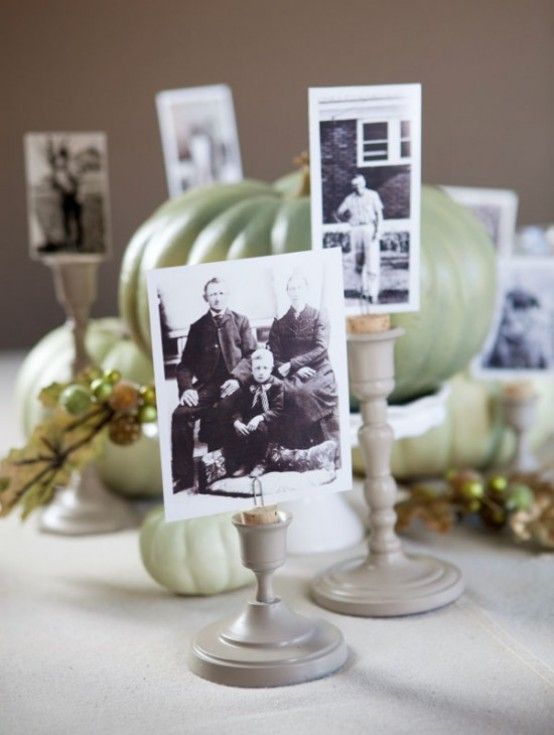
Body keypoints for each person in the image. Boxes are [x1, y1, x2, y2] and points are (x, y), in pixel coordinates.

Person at [171, 277, 256, 492]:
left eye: (220, 293)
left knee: (225, 410)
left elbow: (251, 355)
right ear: (205, 298)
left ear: (227, 295)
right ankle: (184, 475)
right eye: (213, 294)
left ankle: (228, 464)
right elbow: (185, 365)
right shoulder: (198, 327)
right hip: (208, 386)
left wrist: (237, 378)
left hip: (235, 384)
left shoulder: (241, 321)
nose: (217, 298)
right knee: (180, 415)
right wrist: (187, 388)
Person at [267, 273, 339, 454]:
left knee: (305, 392)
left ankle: (319, 444)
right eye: (292, 288)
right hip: (290, 372)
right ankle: (297, 447)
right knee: (286, 393)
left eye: (300, 287)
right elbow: (274, 356)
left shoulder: (318, 316)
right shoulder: (280, 323)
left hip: (319, 370)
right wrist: (293, 369)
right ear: (287, 292)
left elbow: (321, 348)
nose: (296, 292)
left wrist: (293, 364)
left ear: (306, 290)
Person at [224, 348, 284, 478]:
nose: (261, 372)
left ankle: (261, 462)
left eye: (265, 368)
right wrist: (237, 422)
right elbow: (238, 407)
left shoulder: (277, 385)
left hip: (270, 422)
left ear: (271, 368)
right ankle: (245, 463)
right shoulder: (247, 383)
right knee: (237, 430)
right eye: (257, 368)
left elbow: (278, 410)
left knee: (260, 429)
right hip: (250, 420)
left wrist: (260, 418)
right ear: (252, 368)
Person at [336, 174, 383, 302]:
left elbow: (379, 215)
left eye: (359, 185)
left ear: (364, 184)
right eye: (354, 186)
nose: (357, 188)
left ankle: (372, 293)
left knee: (372, 261)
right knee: (358, 262)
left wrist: (378, 231)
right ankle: (362, 291)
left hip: (369, 228)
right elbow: (339, 212)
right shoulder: (349, 199)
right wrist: (348, 220)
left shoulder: (372, 195)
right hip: (356, 230)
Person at [50, 145, 83, 249]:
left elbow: (78, 181)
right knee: (66, 220)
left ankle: (78, 241)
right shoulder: (59, 171)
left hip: (74, 196)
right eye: (60, 158)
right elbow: (56, 184)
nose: (61, 160)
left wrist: (78, 194)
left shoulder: (72, 167)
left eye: (63, 157)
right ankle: (69, 241)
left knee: (77, 220)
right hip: (65, 197)